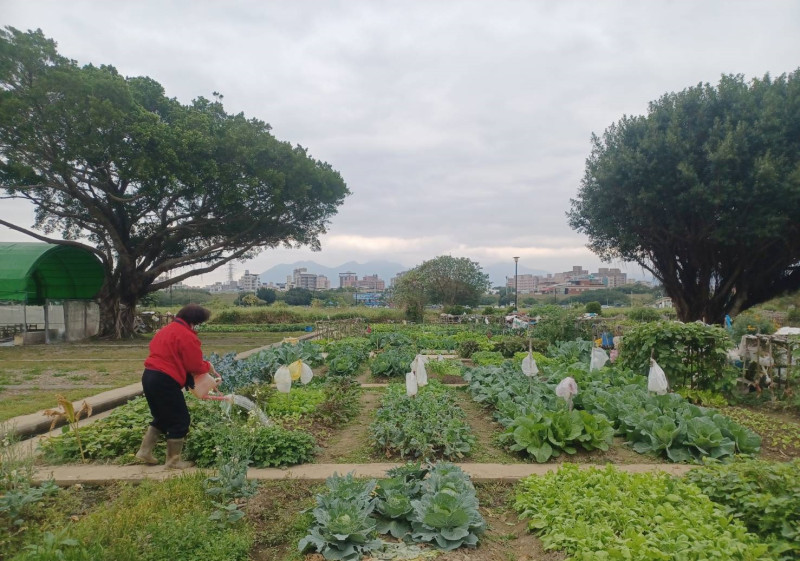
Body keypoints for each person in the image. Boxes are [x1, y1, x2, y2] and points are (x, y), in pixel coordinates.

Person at [135, 303, 219, 469]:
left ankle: (145, 451)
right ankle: (173, 461)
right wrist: (207, 366)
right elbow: (194, 365)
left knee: (161, 416)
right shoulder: (187, 336)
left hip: (149, 376)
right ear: (195, 321)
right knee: (180, 419)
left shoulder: (166, 330)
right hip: (165, 379)